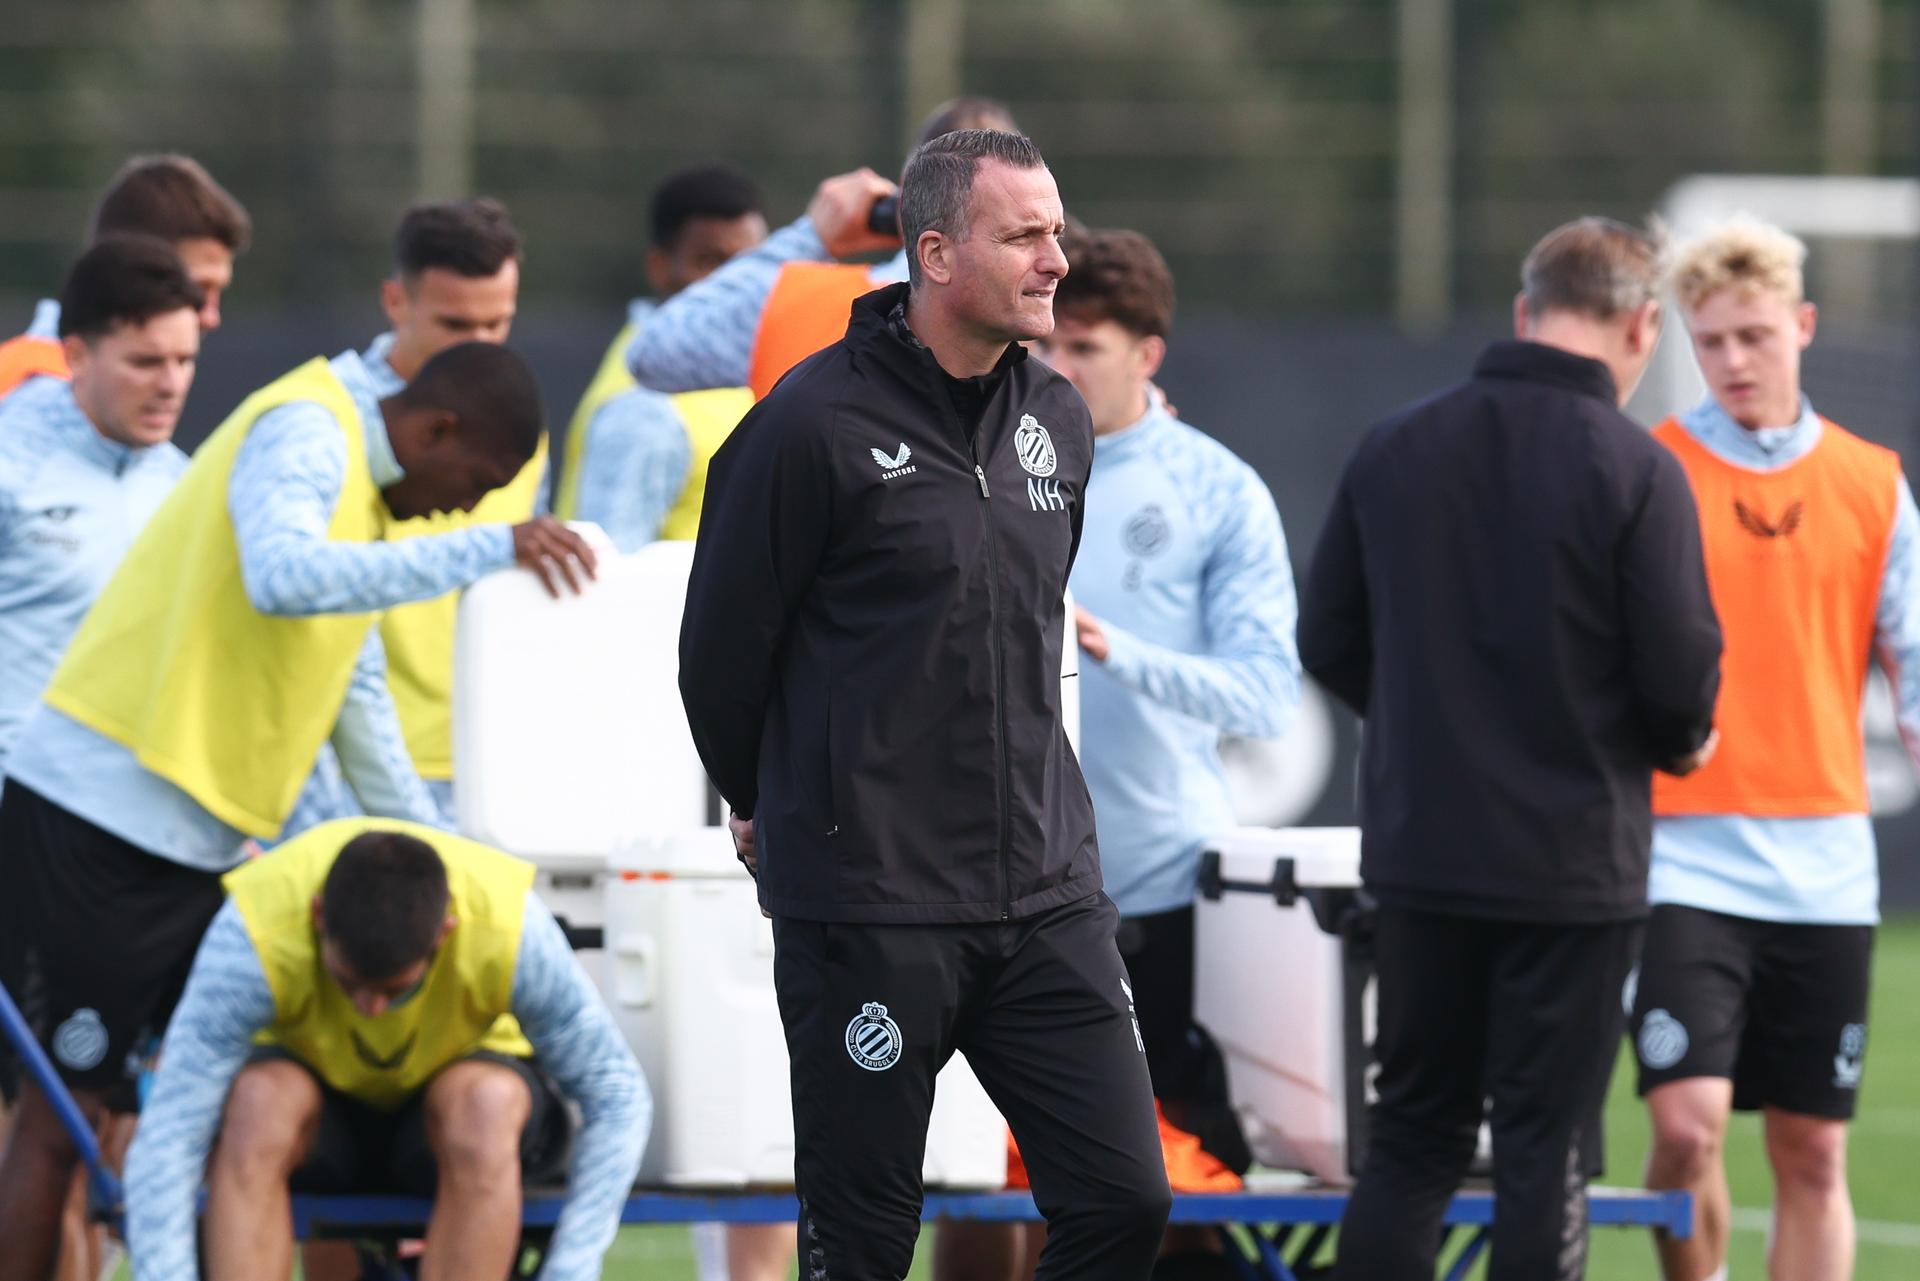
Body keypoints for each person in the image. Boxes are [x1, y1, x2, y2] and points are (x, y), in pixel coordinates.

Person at [679, 128, 1170, 1281]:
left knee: (1123, 1203)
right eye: (1026, 235)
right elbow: (717, 661)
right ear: (936, 252)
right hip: (872, 902)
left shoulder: (1059, 419)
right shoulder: (806, 427)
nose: (1058, 258)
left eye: (1057, 229)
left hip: (1048, 894)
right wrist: (767, 802)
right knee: (862, 1248)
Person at [0, 341, 594, 1281]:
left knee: (169, 1117)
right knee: (61, 1124)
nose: (465, 508)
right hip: (94, 825)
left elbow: (357, 707)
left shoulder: (362, 502)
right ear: (435, 428)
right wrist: (490, 547)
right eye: (474, 483)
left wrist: (455, 875)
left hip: (191, 853)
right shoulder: (309, 425)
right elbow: (282, 574)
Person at [1297, 217, 1725, 1281]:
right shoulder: (1638, 469)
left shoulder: (1394, 445)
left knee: (1410, 1140)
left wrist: (1423, 728)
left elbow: (1326, 641)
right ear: (1642, 326)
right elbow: (1681, 684)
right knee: (1543, 1157)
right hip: (1572, 870)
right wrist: (1674, 739)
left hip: (1422, 852)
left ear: (1527, 311)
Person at [1630, 217, 1917, 1281]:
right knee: (1688, 1127)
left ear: (1802, 325)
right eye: (1710, 342)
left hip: (1826, 865)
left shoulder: (1874, 481)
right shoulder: (1654, 472)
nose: (1734, 361)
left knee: (1811, 1148)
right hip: (1678, 857)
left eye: (1754, 335)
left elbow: (1917, 656)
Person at [122, 819, 648, 1281]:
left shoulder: (511, 926)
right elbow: (171, 1133)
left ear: (445, 933)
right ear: (317, 916)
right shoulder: (253, 934)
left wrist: (570, 1270)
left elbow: (618, 1095)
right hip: (319, 1129)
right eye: (350, 984)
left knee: (483, 1103)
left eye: (396, 990)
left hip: (453, 1128)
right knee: (258, 1100)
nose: (371, 1009)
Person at [0, 234, 203, 1281]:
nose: (169, 384)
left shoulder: (185, 484)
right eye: (143, 362)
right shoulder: (8, 461)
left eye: (183, 361)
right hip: (26, 834)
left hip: (142, 845)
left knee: (123, 1118)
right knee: (56, 1108)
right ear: (75, 352)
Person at [349, 198, 546, 822]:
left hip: (487, 765)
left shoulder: (520, 430)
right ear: (394, 302)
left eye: (498, 324)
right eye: (457, 326)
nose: (483, 346)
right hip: (348, 766)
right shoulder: (329, 419)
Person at [628, 98, 1018, 400]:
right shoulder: (1059, 303)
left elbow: (654, 354)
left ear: (903, 196)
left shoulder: (812, 304)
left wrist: (812, 235)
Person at [555, 162, 768, 550]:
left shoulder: (748, 362)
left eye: (753, 263)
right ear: (660, 268)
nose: (739, 283)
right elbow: (609, 578)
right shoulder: (643, 405)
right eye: (713, 262)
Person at [0, 154, 248, 400]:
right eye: (193, 290)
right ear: (125, 263)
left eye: (218, 293)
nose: (211, 317)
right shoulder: (52, 396)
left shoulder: (37, 372)